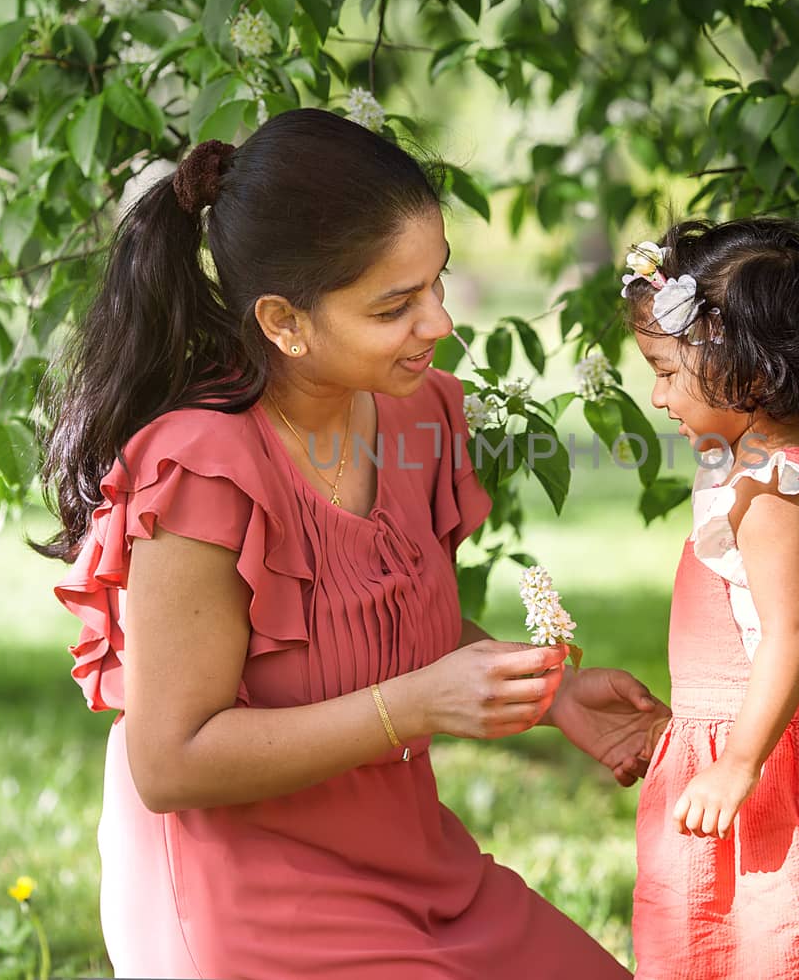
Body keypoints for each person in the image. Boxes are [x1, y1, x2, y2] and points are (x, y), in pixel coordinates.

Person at [37, 108, 666, 978]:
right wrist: (414, 707)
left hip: (412, 863)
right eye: (395, 305)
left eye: (437, 282)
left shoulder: (423, 413)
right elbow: (168, 761)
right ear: (285, 322)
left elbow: (384, 624)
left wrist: (549, 693)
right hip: (248, 894)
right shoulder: (203, 470)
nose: (438, 322)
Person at [619, 219, 799, 979]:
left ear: (744, 372)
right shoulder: (744, 470)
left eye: (664, 370)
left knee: (789, 939)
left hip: (785, 763)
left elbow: (791, 634)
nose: (656, 396)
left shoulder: (774, 488)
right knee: (720, 940)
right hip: (744, 739)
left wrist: (739, 758)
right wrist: (689, 725)